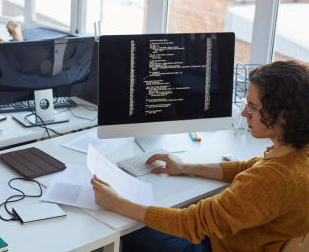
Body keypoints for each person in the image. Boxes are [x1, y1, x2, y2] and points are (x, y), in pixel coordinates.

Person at [91, 60, 309, 252]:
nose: (244, 113)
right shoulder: (298, 154)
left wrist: (117, 203)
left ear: (283, 116)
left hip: (217, 247)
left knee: (128, 228)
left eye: (252, 107)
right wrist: (186, 167)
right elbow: (250, 167)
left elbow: (191, 223)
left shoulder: (274, 179)